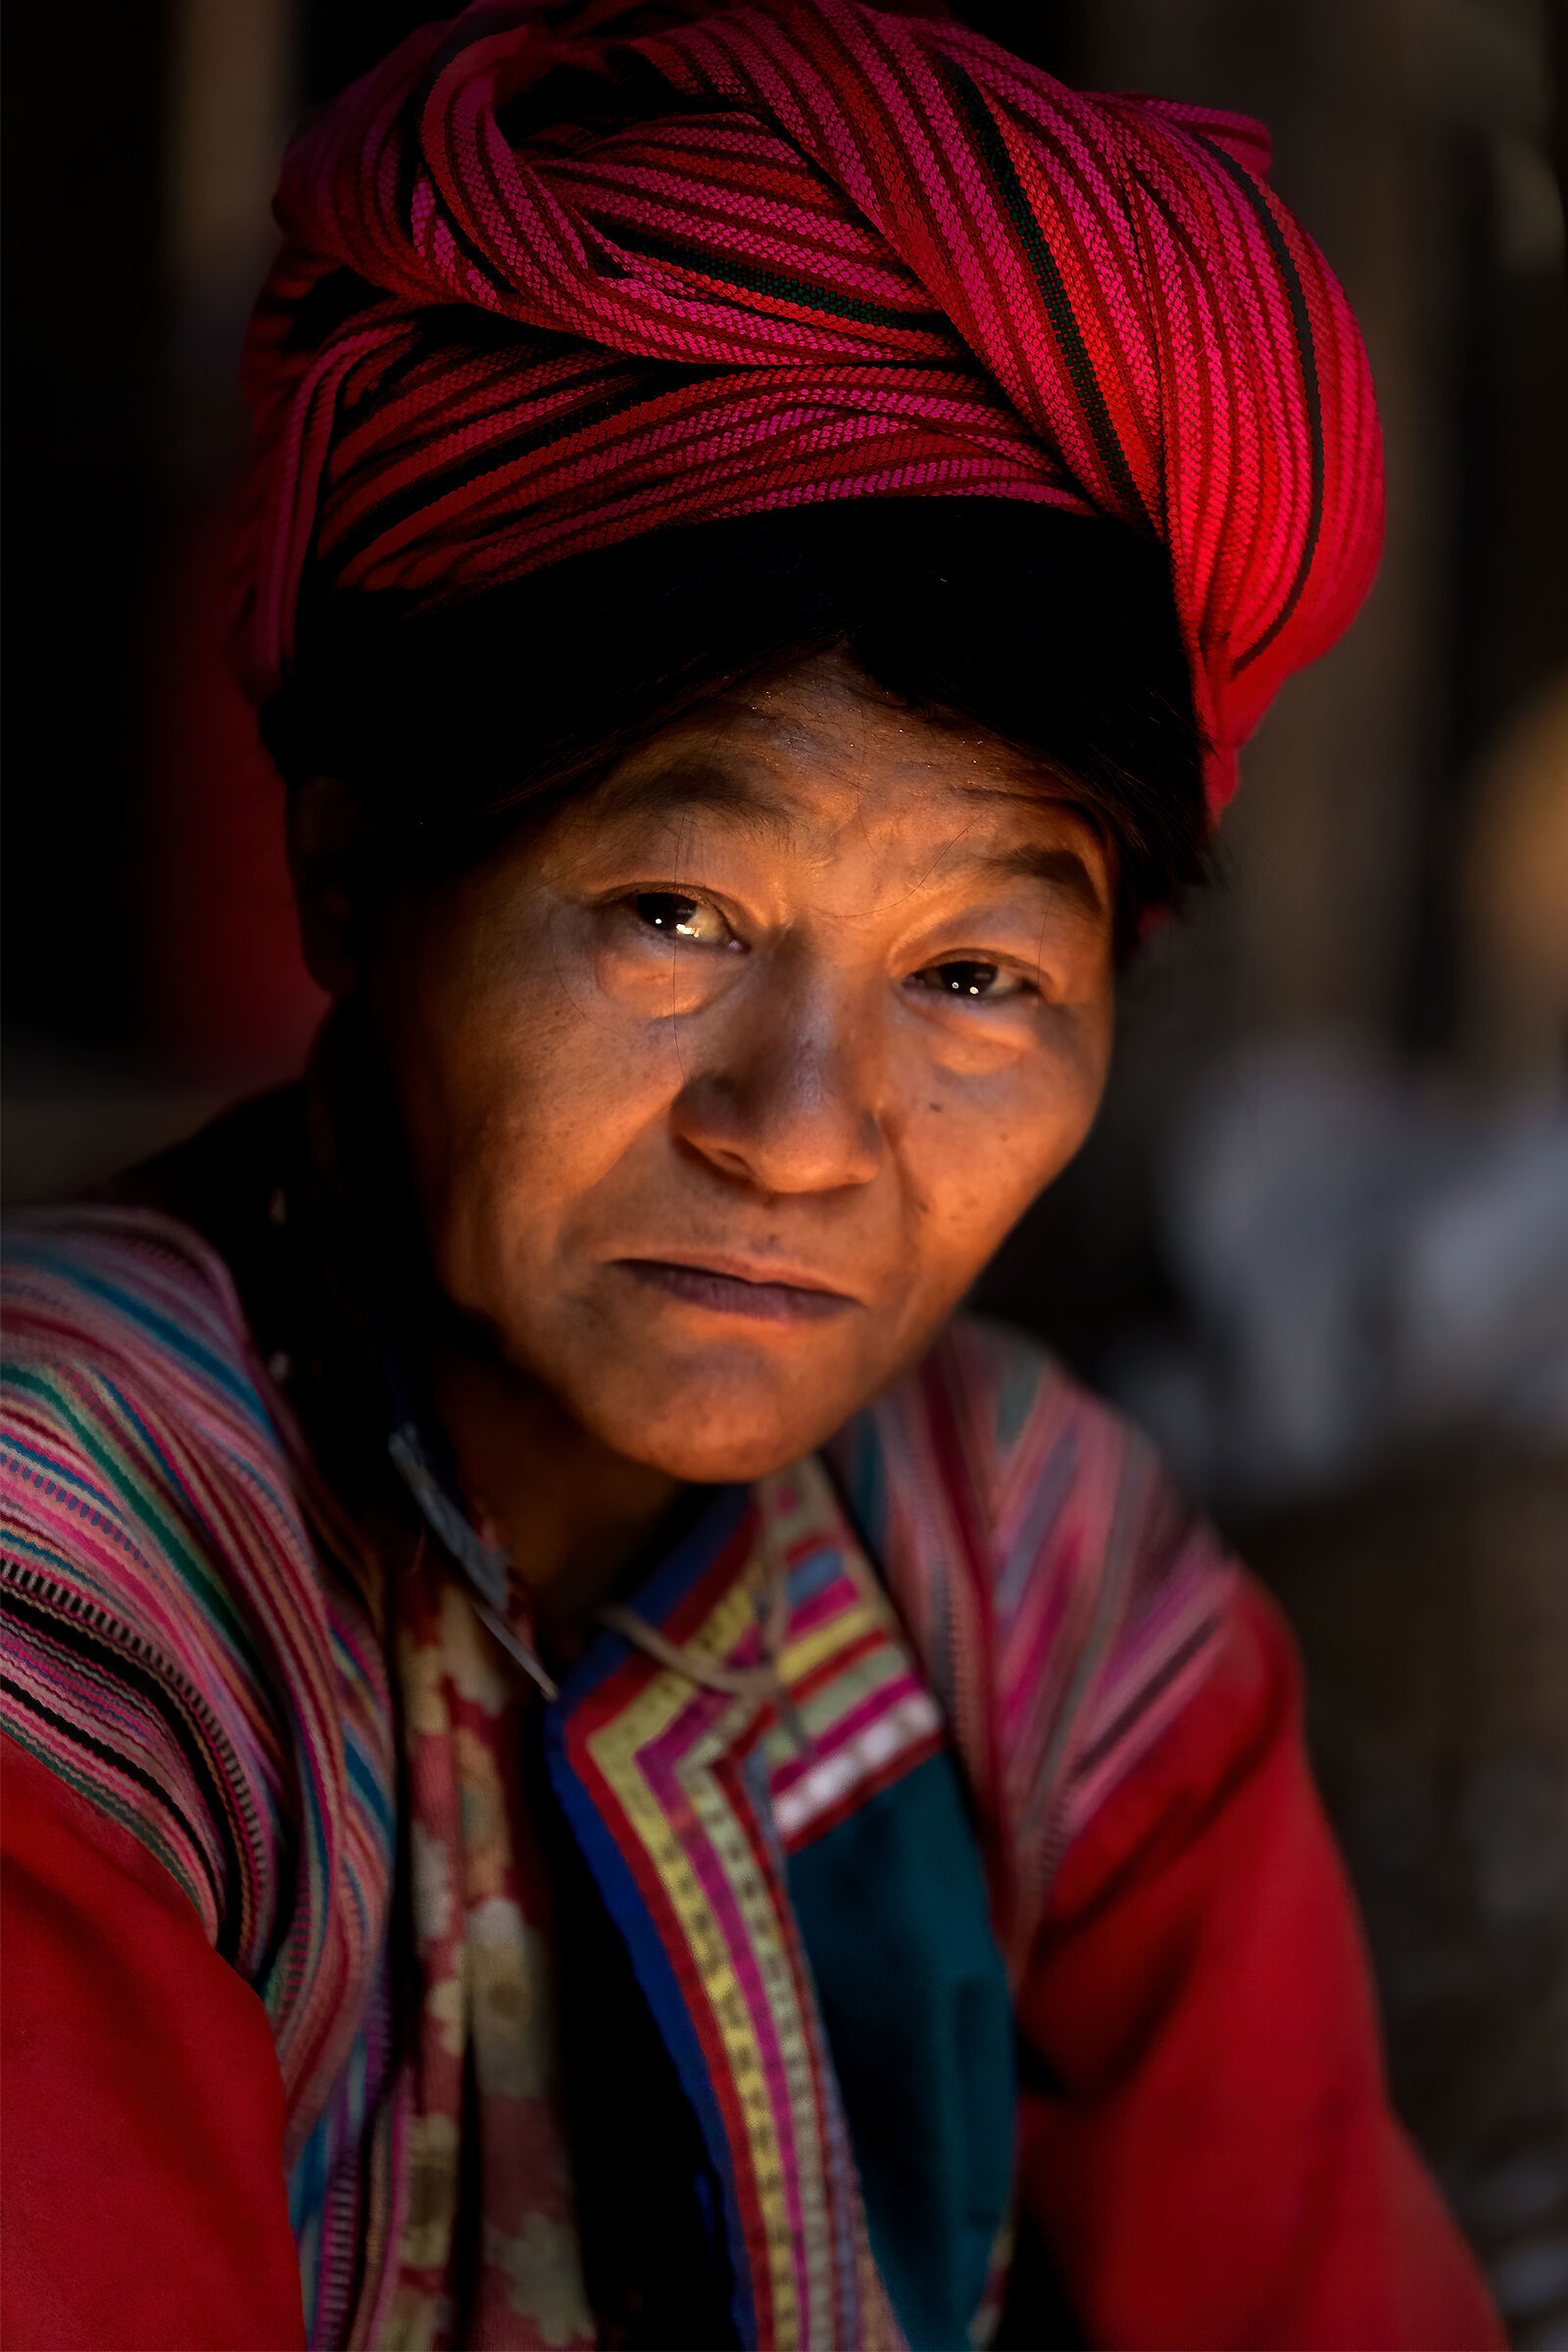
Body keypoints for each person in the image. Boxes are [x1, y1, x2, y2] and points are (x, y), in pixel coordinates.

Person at [0, 2, 1502, 2347]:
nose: (798, 1135)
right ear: (347, 869)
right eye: (673, 918)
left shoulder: (1055, 1604)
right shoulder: (73, 1592)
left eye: (979, 979)